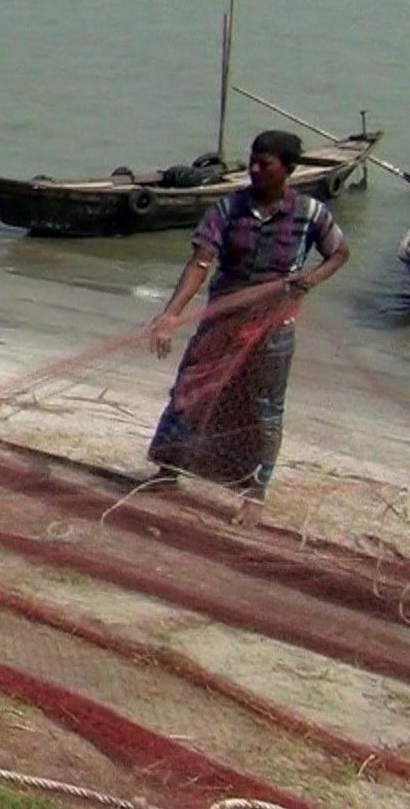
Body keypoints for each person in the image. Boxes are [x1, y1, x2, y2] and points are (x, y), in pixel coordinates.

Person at [145, 130, 349, 525]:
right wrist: (171, 314)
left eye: (265, 164)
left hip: (273, 327)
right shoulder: (227, 209)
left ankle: (254, 494)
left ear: (287, 169)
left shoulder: (310, 213)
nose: (254, 169)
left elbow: (339, 252)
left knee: (263, 408)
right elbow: (200, 264)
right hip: (222, 320)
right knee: (191, 389)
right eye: (252, 161)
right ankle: (168, 471)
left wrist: (311, 279)